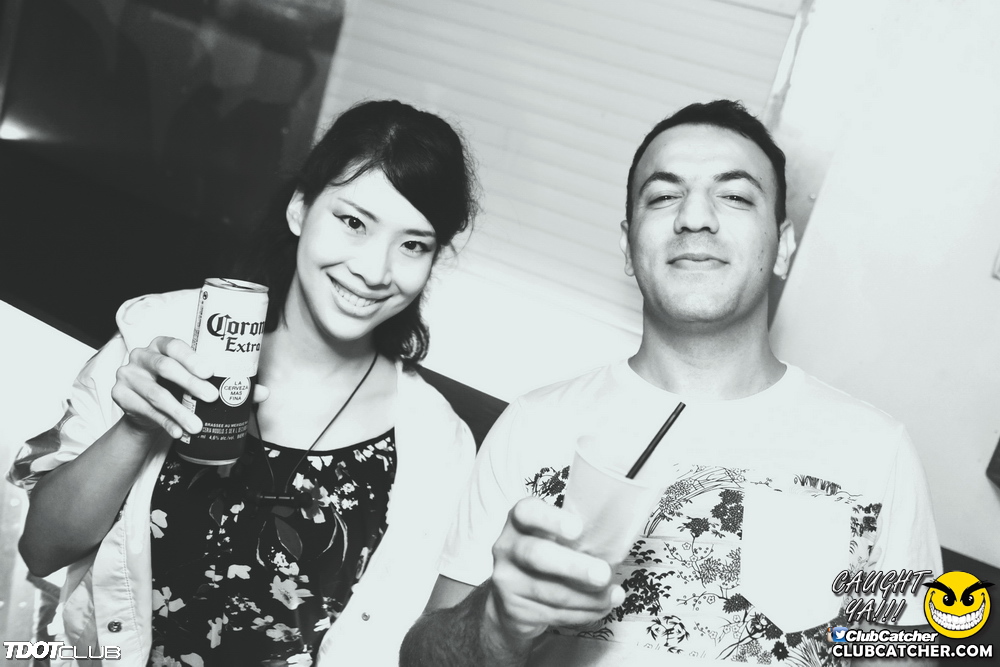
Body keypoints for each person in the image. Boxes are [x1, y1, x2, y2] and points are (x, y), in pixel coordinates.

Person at [400, 100, 942, 666]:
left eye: (735, 196)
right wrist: (496, 623)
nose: (695, 217)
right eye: (663, 196)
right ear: (627, 246)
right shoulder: (533, 426)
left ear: (782, 247)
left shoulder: (876, 451)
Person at [10, 99, 480, 666]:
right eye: (353, 222)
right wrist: (135, 429)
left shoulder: (436, 442)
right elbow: (41, 549)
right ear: (300, 209)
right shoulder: (164, 339)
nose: (374, 270)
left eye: (413, 244)